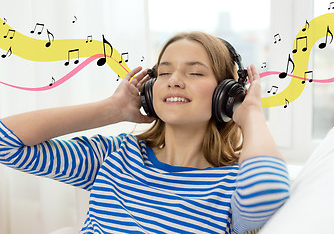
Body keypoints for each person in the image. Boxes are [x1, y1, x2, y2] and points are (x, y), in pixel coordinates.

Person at [0, 32, 289, 234]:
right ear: (149, 92)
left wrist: (249, 113)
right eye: (163, 73)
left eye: (195, 72)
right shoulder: (113, 155)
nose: (174, 80)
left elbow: (268, 191)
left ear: (226, 95)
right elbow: (6, 142)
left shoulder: (230, 184)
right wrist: (112, 110)